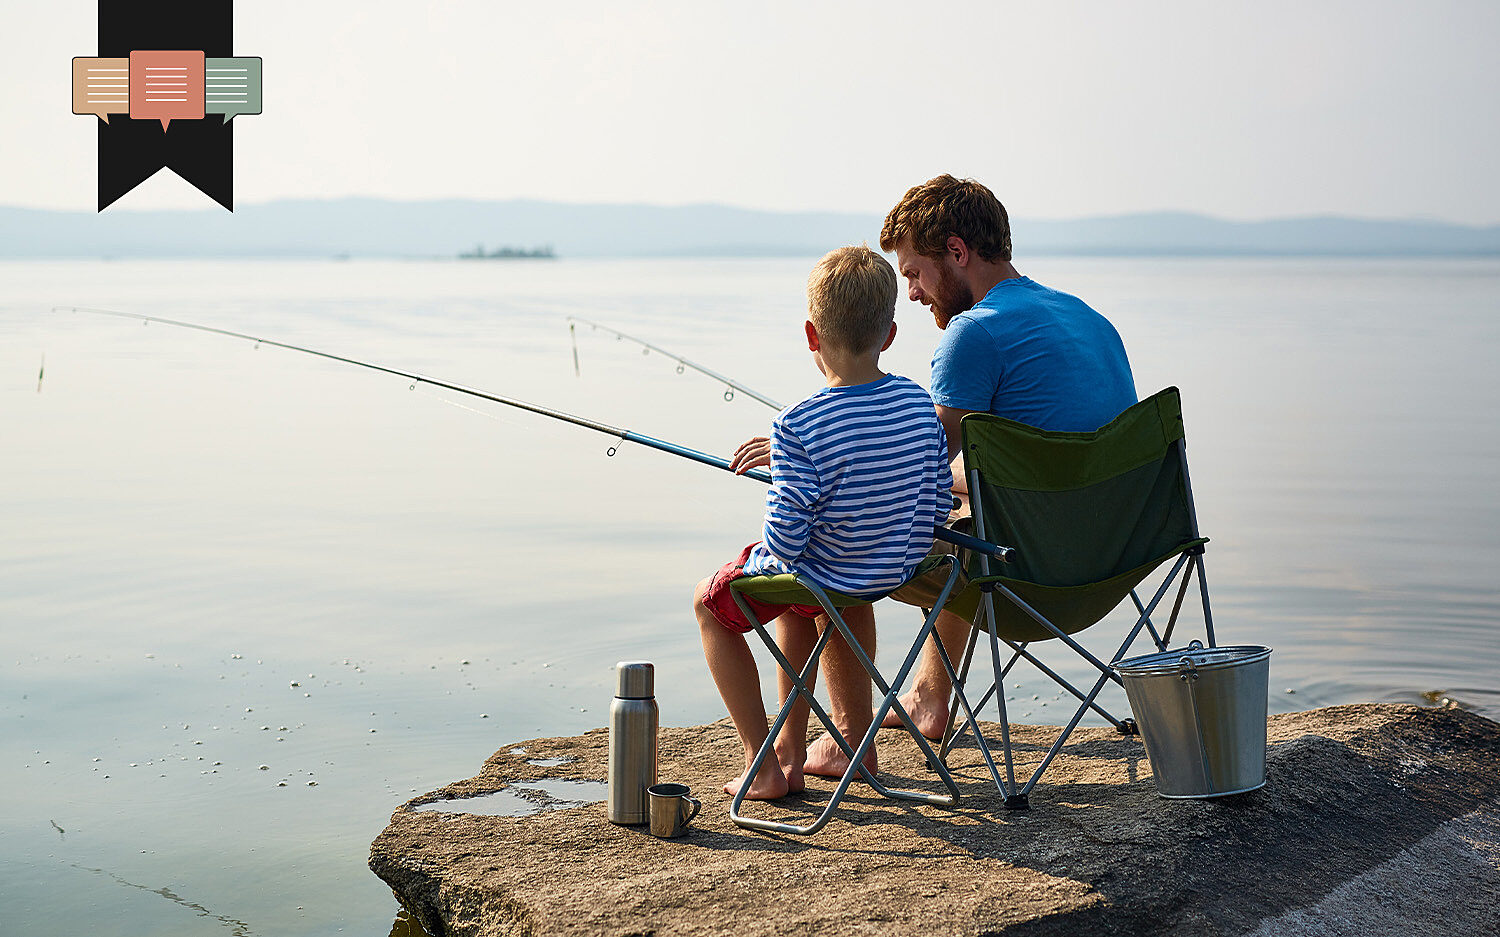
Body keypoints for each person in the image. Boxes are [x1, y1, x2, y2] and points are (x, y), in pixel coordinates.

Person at [734, 175, 1137, 778]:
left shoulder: (973, 334)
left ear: (957, 251)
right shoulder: (1087, 316)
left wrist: (812, 451)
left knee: (839, 539)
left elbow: (909, 464)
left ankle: (847, 738)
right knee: (957, 513)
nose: (916, 294)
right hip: (1118, 553)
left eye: (916, 273)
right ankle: (927, 694)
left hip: (1032, 571)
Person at [695, 245, 951, 800]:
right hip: (899, 568)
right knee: (810, 600)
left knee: (710, 603)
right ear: (889, 335)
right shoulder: (917, 403)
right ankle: (825, 750)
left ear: (812, 336)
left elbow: (785, 542)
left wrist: (764, 546)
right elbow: (936, 503)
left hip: (831, 576)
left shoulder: (797, 424)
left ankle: (760, 762)